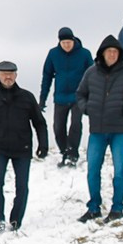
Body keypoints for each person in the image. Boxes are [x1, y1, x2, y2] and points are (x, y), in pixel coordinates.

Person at [0, 60, 50, 232]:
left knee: (22, 185)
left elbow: (39, 123)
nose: (8, 77)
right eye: (4, 73)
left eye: (11, 73)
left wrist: (43, 144)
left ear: (16, 75)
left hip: (22, 149)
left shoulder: (27, 97)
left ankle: (16, 220)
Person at [75, 34, 123, 223]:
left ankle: (117, 208)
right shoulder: (91, 72)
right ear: (102, 53)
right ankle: (94, 207)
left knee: (120, 170)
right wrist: (86, 108)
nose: (112, 54)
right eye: (108, 51)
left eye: (115, 51)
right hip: (97, 129)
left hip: (121, 129)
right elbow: (80, 94)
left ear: (119, 54)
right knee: (93, 169)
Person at [39, 28, 93, 168]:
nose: (67, 45)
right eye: (64, 43)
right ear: (59, 42)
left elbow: (93, 76)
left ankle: (72, 154)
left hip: (79, 96)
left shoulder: (84, 53)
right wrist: (42, 99)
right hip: (60, 97)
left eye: (69, 42)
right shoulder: (53, 54)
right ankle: (64, 151)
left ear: (73, 40)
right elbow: (47, 76)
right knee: (58, 127)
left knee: (75, 124)